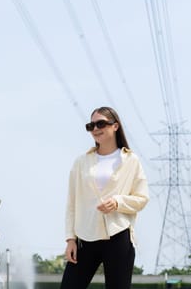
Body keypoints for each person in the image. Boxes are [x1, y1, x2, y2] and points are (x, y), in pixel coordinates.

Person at [60, 106, 149, 289]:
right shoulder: (81, 162)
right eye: (90, 125)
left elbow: (142, 198)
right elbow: (71, 203)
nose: (95, 129)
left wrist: (118, 202)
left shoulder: (131, 161)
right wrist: (70, 239)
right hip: (85, 238)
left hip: (118, 236)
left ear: (115, 126)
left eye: (100, 123)